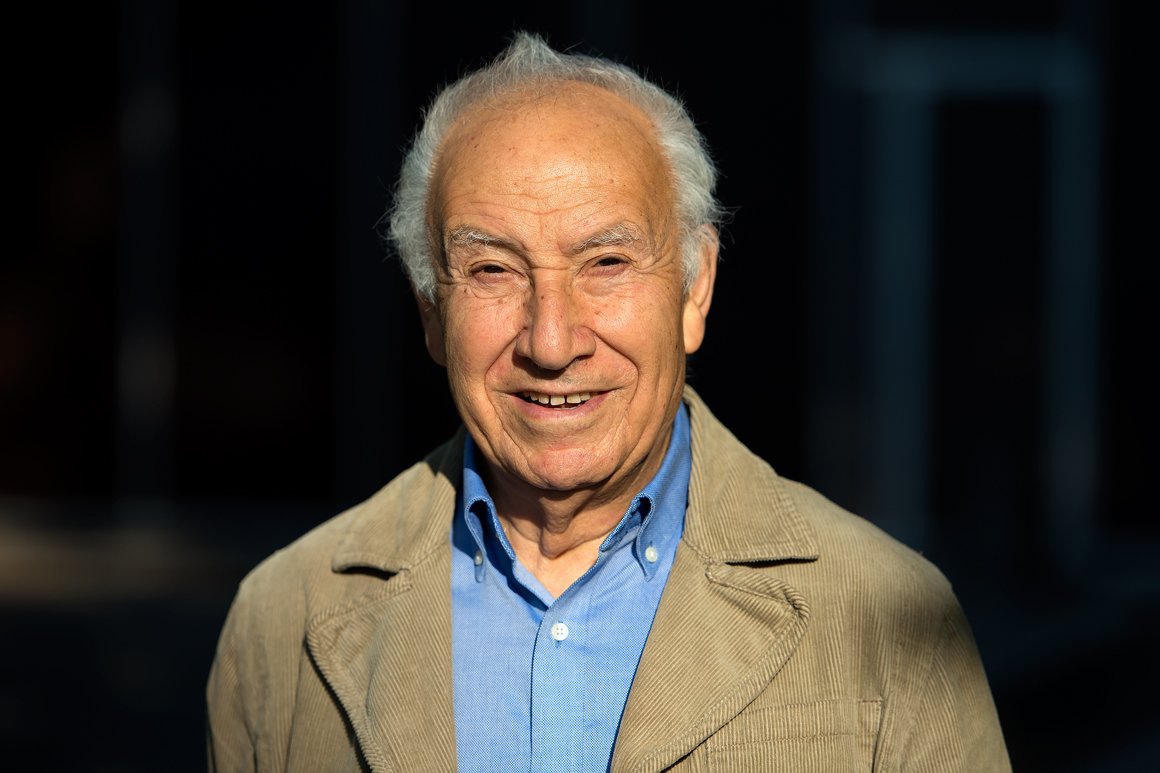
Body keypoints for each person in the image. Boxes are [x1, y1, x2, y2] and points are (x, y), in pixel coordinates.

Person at [206, 31, 1011, 772]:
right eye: (493, 270)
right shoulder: (282, 622)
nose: (551, 341)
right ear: (430, 311)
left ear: (695, 287)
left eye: (607, 263)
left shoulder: (890, 620)